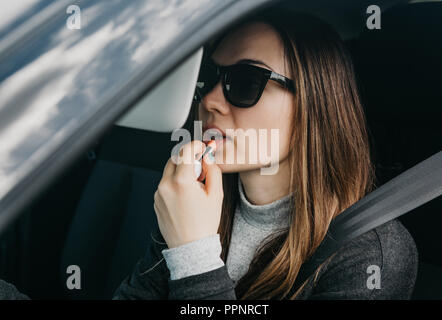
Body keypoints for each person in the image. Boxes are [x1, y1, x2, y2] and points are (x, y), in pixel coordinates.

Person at [114, 11, 418, 300]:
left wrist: (194, 254)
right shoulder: (199, 202)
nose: (210, 100)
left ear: (314, 106)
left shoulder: (371, 253)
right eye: (211, 76)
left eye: (246, 82)